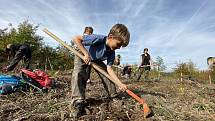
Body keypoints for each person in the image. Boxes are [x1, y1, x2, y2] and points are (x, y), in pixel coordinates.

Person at [71, 24, 130, 118]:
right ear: (111, 37)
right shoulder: (98, 38)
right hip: (82, 53)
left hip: (96, 59)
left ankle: (114, 96)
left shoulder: (111, 52)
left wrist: (119, 83)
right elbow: (76, 38)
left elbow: (109, 69)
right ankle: (78, 101)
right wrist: (85, 53)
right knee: (79, 73)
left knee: (106, 74)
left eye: (121, 46)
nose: (119, 47)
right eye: (118, 44)